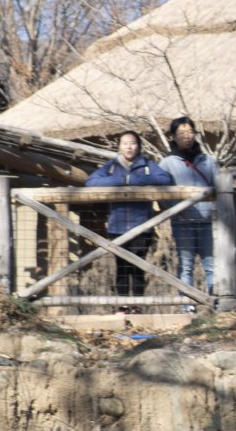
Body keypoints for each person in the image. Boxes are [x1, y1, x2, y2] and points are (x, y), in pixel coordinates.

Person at [86, 130, 173, 311]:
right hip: (117, 225)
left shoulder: (147, 165)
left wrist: (134, 179)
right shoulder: (111, 167)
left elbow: (166, 179)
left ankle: (138, 306)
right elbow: (91, 182)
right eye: (125, 143)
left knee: (138, 267)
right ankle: (122, 305)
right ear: (119, 146)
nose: (129, 147)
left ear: (139, 146)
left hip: (142, 224)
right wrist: (121, 180)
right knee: (122, 268)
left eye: (132, 143)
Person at [156, 115, 217, 311]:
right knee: (186, 265)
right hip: (183, 221)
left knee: (211, 264)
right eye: (182, 133)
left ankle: (216, 303)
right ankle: (187, 306)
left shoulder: (208, 161)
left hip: (208, 221)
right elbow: (160, 192)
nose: (187, 136)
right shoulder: (167, 163)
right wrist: (176, 208)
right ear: (173, 136)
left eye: (190, 132)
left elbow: (220, 186)